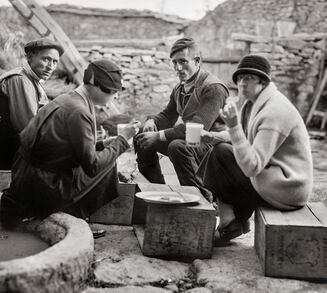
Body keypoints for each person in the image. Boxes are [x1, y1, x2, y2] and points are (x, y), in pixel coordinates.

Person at [0, 59, 140, 238]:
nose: (115, 97)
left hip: (24, 175)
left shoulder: (69, 98)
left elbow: (65, 147)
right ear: (97, 86)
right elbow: (92, 166)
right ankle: (74, 219)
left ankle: (65, 215)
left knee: (106, 154)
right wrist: (122, 140)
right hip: (42, 186)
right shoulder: (79, 111)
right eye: (113, 92)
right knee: (108, 165)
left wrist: (104, 144)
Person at [198, 54, 313, 243]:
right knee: (220, 149)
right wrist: (213, 136)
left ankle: (229, 223)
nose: (242, 83)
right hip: (274, 176)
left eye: (249, 78)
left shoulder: (274, 112)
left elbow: (252, 167)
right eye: (240, 78)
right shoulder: (256, 103)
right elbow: (247, 138)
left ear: (262, 82)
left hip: (287, 188)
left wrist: (233, 127)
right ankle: (232, 221)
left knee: (221, 155)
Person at [134, 37, 229, 199]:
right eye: (174, 63)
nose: (178, 68)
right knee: (142, 136)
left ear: (197, 60)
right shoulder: (180, 87)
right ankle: (157, 190)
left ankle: (204, 198)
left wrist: (158, 135)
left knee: (178, 146)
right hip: (192, 140)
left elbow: (197, 127)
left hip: (214, 144)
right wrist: (152, 122)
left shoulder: (214, 88)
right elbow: (167, 115)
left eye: (183, 62)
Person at [0, 37, 64, 169]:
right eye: (46, 59)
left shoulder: (31, 80)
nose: (50, 66)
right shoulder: (20, 80)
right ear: (30, 57)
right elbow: (29, 128)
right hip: (4, 153)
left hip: (8, 148)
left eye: (55, 61)